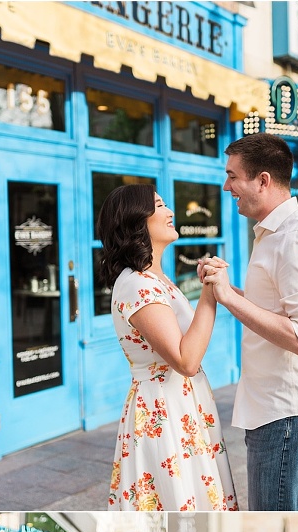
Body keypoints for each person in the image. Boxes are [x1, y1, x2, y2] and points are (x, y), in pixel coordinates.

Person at [200, 132, 298, 512]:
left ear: (262, 180)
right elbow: (275, 312)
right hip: (276, 411)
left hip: (287, 414)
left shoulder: (293, 238)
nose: (226, 186)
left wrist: (228, 297)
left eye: (232, 176)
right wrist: (228, 291)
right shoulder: (275, 234)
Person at [97, 183, 238, 512]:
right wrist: (208, 292)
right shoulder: (136, 284)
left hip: (182, 404)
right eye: (159, 205)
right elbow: (186, 360)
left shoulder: (156, 278)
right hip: (164, 408)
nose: (170, 212)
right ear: (136, 221)